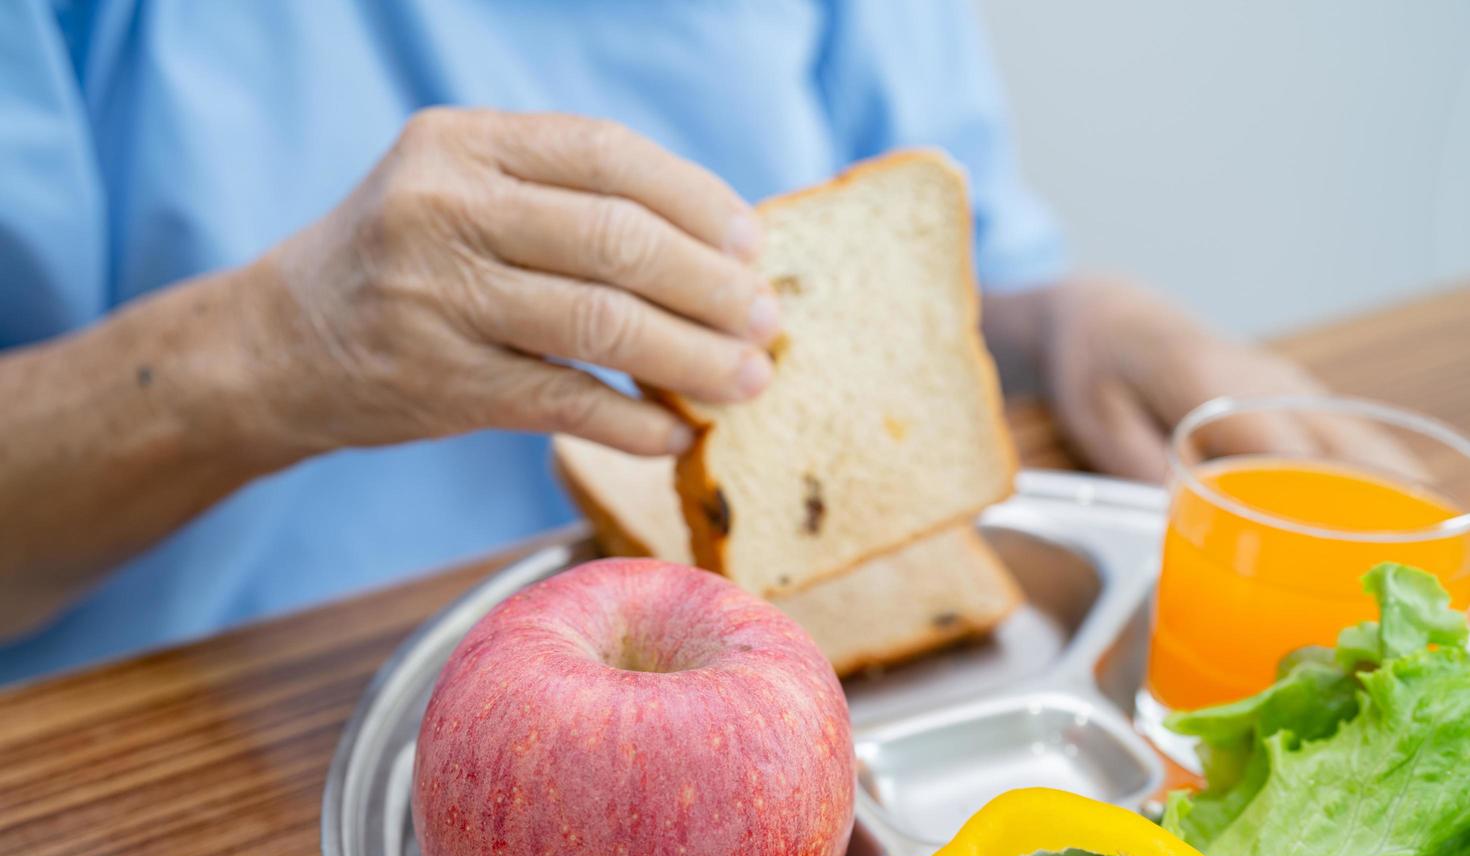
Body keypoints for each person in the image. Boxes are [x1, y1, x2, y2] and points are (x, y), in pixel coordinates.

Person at [0, 2, 1321, 683]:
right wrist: (263, 351)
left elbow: (939, 282)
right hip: (192, 744)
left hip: (760, 690)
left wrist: (1075, 316)